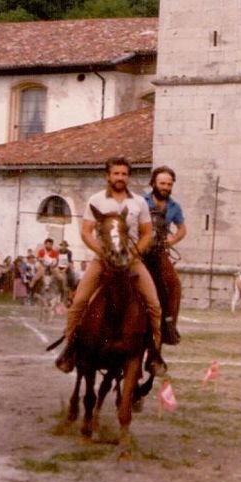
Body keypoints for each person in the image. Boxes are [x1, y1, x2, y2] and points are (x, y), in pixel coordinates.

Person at [56, 157, 166, 375]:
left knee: (154, 304)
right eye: (116, 174)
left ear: (128, 177)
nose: (120, 178)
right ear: (108, 176)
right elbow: (86, 231)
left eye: (124, 174)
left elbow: (146, 233)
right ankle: (70, 350)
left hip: (132, 261)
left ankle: (154, 354)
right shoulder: (96, 201)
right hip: (103, 260)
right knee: (78, 302)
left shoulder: (139, 203)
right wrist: (101, 251)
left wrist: (134, 253)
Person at [143, 165, 187, 344]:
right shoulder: (141, 201)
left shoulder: (175, 206)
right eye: (162, 183)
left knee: (174, 284)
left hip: (159, 252)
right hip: (138, 251)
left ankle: (169, 325)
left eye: (169, 184)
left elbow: (182, 229)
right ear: (153, 183)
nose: (166, 187)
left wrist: (172, 240)